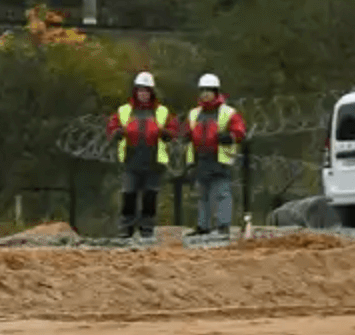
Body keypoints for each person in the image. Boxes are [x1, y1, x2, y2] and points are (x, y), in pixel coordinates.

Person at [107, 70, 173, 238]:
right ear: (135, 91)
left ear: (152, 92)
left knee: (150, 197)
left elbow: (173, 128)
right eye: (140, 90)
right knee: (128, 194)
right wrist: (116, 133)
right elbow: (112, 127)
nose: (143, 94)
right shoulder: (124, 111)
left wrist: (167, 133)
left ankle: (147, 228)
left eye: (146, 90)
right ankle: (126, 228)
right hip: (131, 159)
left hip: (154, 160)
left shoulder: (162, 111)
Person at [185, 73, 249, 237]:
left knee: (222, 193)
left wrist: (230, 137)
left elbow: (240, 131)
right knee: (202, 195)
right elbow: (187, 132)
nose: (205, 94)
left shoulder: (228, 112)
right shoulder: (194, 113)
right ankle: (203, 225)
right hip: (201, 159)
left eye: (209, 91)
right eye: (203, 91)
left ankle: (222, 226)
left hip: (220, 159)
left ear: (216, 92)